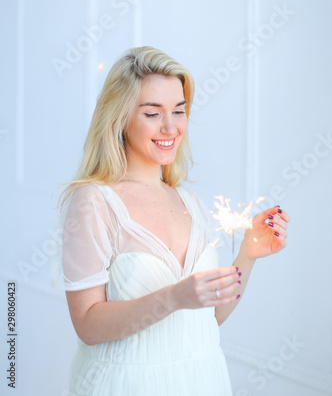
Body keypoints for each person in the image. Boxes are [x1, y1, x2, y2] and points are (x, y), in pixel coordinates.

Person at [50, 46, 290, 396]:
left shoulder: (187, 200)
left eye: (179, 111)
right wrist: (174, 297)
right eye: (152, 113)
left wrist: (248, 253)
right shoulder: (94, 202)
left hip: (202, 380)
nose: (170, 127)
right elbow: (86, 324)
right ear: (119, 118)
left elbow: (209, 318)